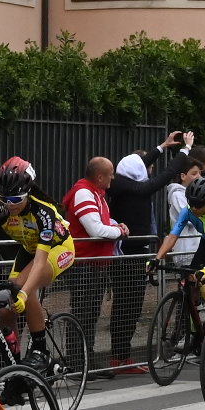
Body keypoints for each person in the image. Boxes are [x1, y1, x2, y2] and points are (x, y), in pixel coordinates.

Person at [0, 157, 75, 342]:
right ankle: (11, 359)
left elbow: (40, 261)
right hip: (30, 249)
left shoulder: (43, 212)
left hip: (58, 249)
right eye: (4, 199)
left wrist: (24, 294)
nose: (10, 204)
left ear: (28, 192)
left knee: (22, 287)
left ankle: (40, 351)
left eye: (16, 199)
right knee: (6, 310)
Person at [67, 155, 133, 361]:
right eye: (110, 175)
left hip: (96, 263)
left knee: (91, 314)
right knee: (82, 314)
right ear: (99, 176)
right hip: (86, 263)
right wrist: (119, 232)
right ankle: (78, 361)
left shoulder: (97, 193)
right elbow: (95, 229)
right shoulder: (84, 193)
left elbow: (102, 225)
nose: (113, 178)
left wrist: (115, 227)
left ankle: (88, 359)